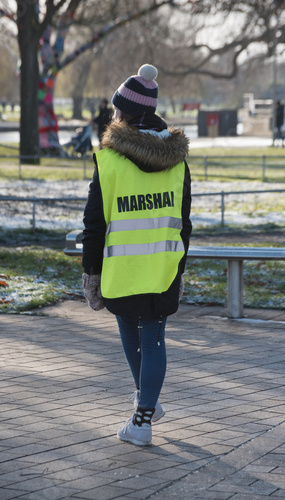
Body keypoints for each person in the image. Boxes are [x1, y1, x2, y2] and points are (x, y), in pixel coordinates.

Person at [82, 64, 192, 446]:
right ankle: (148, 404)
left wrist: (90, 274)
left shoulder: (108, 161)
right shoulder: (177, 161)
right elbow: (184, 223)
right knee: (155, 337)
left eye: (116, 110)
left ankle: (142, 421)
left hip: (122, 271)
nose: (113, 116)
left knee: (131, 330)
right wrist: (178, 270)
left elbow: (94, 226)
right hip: (162, 271)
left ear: (125, 115)